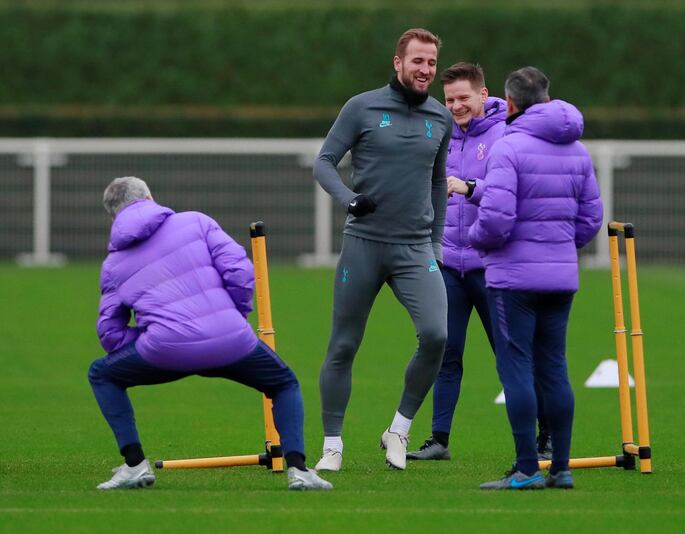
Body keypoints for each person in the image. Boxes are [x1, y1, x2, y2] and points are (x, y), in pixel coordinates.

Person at [88, 177, 332, 491]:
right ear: (149, 196)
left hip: (164, 351)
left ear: (113, 216)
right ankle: (299, 470)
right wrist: (233, 315)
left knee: (102, 374)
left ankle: (135, 464)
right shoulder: (195, 221)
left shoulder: (112, 264)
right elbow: (240, 271)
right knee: (283, 383)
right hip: (231, 339)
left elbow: (110, 333)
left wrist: (152, 340)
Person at [312, 28, 452, 471]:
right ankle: (332, 445)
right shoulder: (362, 107)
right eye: (418, 62)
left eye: (431, 63)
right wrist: (348, 199)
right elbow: (324, 163)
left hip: (415, 249)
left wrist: (435, 243)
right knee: (343, 346)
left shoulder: (440, 117)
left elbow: (437, 182)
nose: (425, 70)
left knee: (436, 336)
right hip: (364, 245)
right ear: (398, 63)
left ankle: (399, 429)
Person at [407, 62, 553, 461]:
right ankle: (439, 440)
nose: (455, 106)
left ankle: (545, 436)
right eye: (449, 99)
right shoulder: (438, 134)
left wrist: (471, 188)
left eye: (463, 98)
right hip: (448, 264)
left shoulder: (507, 134)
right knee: (444, 352)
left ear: (484, 94)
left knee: (510, 354)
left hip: (492, 267)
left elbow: (517, 193)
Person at [469, 68, 603, 490]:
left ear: (509, 103)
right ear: (548, 99)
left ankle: (527, 468)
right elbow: (591, 219)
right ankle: (560, 468)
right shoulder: (579, 151)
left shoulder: (508, 148)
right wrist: (559, 246)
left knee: (516, 371)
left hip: (513, 280)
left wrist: (477, 241)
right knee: (555, 369)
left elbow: (494, 219)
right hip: (560, 278)